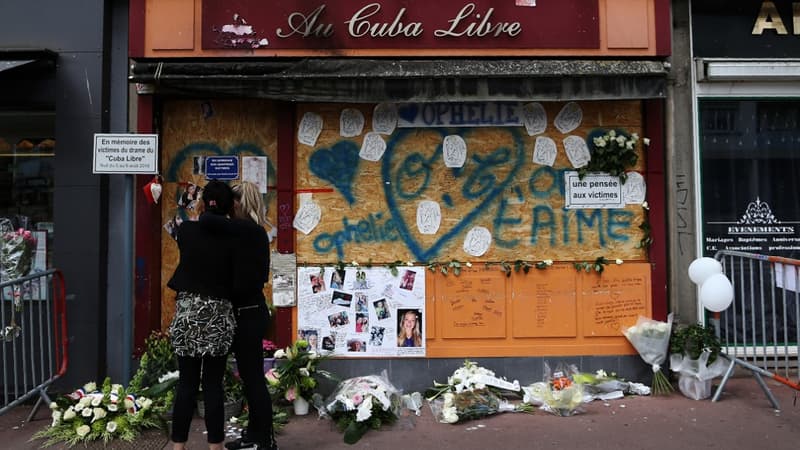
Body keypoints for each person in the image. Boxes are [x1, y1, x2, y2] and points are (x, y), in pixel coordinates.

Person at [167, 180, 237, 450]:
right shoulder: (234, 235)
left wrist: (198, 207)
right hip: (218, 314)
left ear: (203, 203)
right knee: (213, 385)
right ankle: (215, 446)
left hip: (188, 312)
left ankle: (178, 446)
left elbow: (189, 222)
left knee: (186, 384)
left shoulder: (186, 231)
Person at [220, 181, 278, 450]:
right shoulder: (255, 232)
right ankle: (256, 435)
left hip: (247, 314)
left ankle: (263, 439)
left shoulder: (245, 231)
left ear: (241, 203)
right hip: (252, 311)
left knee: (253, 379)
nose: (229, 208)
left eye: (232, 203)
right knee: (251, 377)